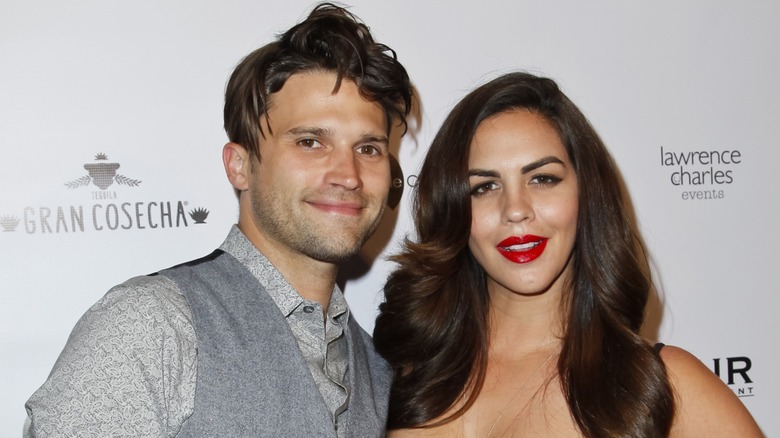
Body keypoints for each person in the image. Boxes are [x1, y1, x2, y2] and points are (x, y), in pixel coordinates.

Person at [24, 3, 413, 436]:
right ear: (239, 166)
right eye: (309, 141)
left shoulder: (379, 370)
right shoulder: (152, 326)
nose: (348, 175)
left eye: (368, 148)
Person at [373, 72, 762, 437]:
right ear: (453, 208)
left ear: (586, 194)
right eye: (484, 186)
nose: (516, 208)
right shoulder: (397, 374)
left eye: (543, 179)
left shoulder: (668, 387)